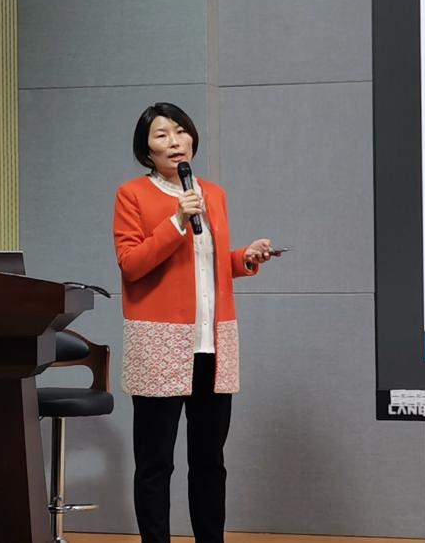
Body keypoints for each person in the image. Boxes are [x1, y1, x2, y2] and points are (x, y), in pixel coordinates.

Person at [112, 102, 276, 543]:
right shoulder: (132, 195)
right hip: (160, 344)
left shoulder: (213, 194)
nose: (175, 141)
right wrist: (177, 219)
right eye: (161, 134)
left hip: (212, 344)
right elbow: (131, 264)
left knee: (209, 461)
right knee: (155, 463)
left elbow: (206, 264)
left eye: (181, 131)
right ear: (146, 150)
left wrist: (243, 258)